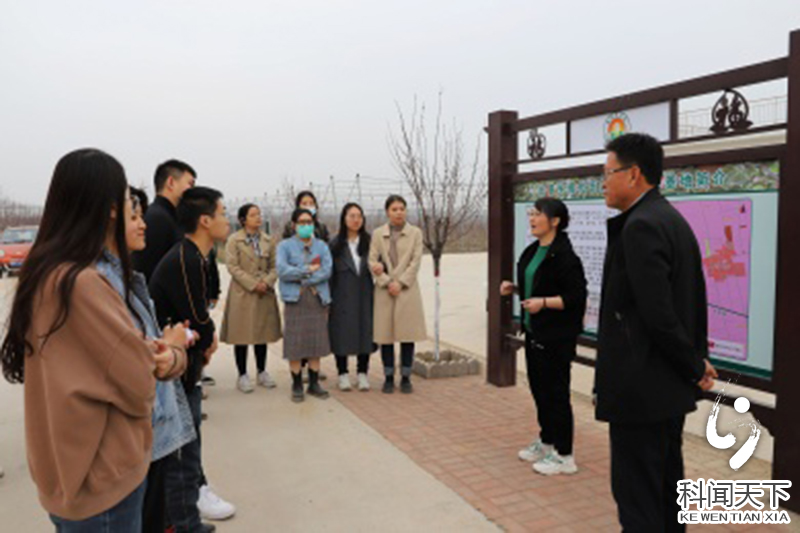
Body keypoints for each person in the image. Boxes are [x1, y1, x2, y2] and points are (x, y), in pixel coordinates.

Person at [0, 148, 188, 531]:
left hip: (70, 473)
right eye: (125, 197)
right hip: (101, 480)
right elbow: (139, 381)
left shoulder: (47, 270)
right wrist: (172, 348)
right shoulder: (83, 283)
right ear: (111, 208)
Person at [596, 133, 717, 531]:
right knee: (666, 490)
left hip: (641, 391)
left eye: (608, 173)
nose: (603, 183)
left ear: (633, 174)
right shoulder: (669, 219)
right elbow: (685, 306)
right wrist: (693, 361)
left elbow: (658, 314)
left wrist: (693, 364)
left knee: (639, 499)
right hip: (664, 388)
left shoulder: (641, 226)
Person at [101, 187, 197, 532]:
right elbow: (141, 361)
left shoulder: (121, 276)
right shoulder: (94, 283)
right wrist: (172, 347)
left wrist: (167, 346)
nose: (143, 224)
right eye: (134, 216)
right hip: (130, 440)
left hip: (148, 432)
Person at [149, 186, 233, 532]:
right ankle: (184, 524)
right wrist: (208, 339)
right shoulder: (185, 258)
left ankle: (180, 520)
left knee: (187, 447)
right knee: (183, 452)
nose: (227, 220)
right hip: (175, 371)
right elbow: (196, 319)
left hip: (186, 364)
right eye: (223, 213)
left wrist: (206, 339)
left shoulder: (196, 257)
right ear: (205, 220)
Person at [500, 198, 587, 476]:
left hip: (557, 337)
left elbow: (575, 297)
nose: (532, 218)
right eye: (531, 213)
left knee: (556, 394)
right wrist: (515, 289)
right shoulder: (533, 251)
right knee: (539, 390)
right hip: (534, 332)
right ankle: (547, 440)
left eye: (538, 214)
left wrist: (544, 303)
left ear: (555, 221)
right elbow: (535, 287)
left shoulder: (564, 256)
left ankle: (565, 455)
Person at [220, 203, 282, 393]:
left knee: (261, 334)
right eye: (253, 215)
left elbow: (275, 266)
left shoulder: (268, 240)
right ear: (243, 219)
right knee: (242, 334)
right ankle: (242, 374)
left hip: (264, 292)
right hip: (243, 293)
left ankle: (262, 371)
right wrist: (253, 284)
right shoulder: (234, 240)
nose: (258, 217)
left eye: (259, 214)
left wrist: (267, 282)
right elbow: (232, 266)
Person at [369, 195, 427, 394]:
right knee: (385, 336)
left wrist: (400, 283)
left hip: (407, 291)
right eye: (394, 209)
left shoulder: (415, 233)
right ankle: (388, 377)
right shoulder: (378, 234)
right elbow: (372, 261)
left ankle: (406, 377)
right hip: (384, 291)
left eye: (402, 208)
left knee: (407, 335)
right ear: (387, 212)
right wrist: (386, 281)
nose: (399, 212)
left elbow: (415, 262)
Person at [277, 208, 333, 402]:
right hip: (295, 299)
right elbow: (282, 270)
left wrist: (302, 277)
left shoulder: (322, 246)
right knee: (295, 343)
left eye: (309, 222)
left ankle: (314, 383)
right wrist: (307, 270)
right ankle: (297, 384)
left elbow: (326, 270)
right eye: (302, 222)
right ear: (294, 225)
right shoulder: (284, 246)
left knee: (316, 343)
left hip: (317, 298)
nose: (306, 226)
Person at [329, 203, 375, 392]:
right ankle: (342, 373)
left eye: (359, 216)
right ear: (344, 219)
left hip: (365, 294)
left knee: (366, 332)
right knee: (341, 333)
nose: (356, 220)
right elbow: (329, 274)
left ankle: (363, 373)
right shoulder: (335, 244)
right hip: (342, 296)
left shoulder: (370, 242)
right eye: (352, 216)